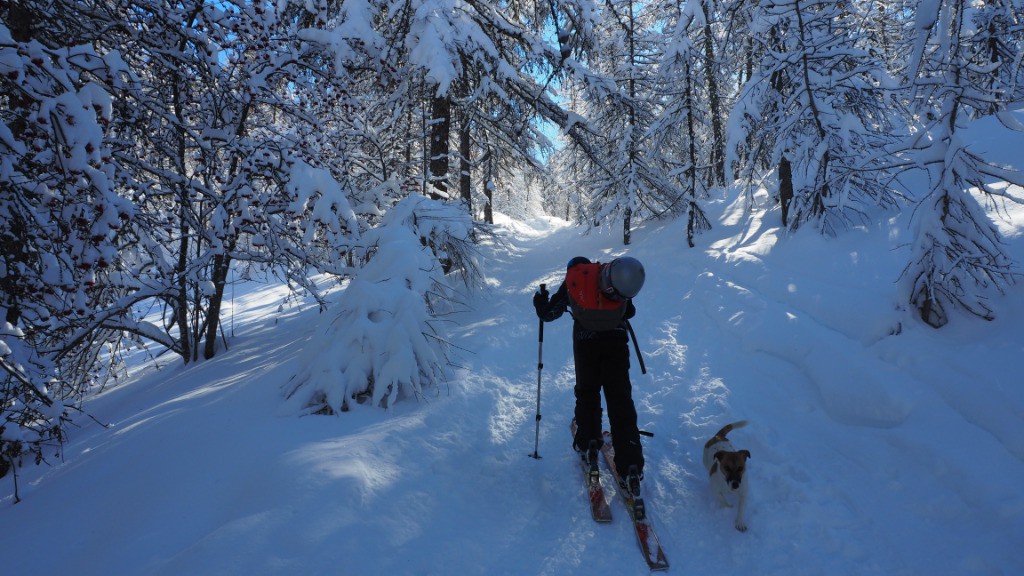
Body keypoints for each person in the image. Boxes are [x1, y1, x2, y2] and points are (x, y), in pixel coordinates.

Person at [533, 256, 647, 494]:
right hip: (616, 343)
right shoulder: (616, 275)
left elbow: (548, 314)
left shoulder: (573, 283)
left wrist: (540, 301)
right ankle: (630, 468)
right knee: (620, 400)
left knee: (587, 392)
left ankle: (589, 445)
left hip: (586, 343)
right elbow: (630, 311)